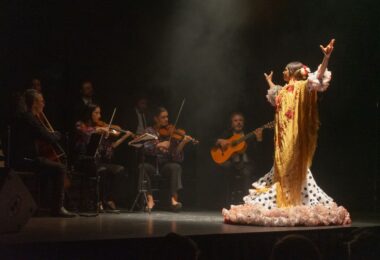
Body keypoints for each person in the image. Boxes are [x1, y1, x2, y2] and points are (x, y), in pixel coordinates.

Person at [223, 39, 351, 226]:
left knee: (295, 170)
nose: (283, 71)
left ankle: (295, 200)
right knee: (282, 170)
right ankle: (284, 200)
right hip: (281, 142)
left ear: (292, 72)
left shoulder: (302, 87)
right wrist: (269, 82)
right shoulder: (283, 91)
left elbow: (319, 76)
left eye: (285, 69)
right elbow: (276, 95)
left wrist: (326, 57)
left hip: (294, 140)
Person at [10, 89, 76, 217]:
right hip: (26, 160)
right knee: (60, 168)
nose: (44, 104)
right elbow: (48, 137)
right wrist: (57, 134)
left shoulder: (28, 117)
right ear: (35, 102)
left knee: (49, 165)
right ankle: (57, 208)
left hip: (26, 157)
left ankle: (45, 203)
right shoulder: (29, 118)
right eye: (41, 101)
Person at [74, 103, 133, 212]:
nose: (99, 116)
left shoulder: (101, 129)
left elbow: (108, 150)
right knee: (103, 170)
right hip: (84, 161)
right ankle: (99, 202)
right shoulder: (80, 124)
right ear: (89, 113)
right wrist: (98, 130)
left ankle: (109, 200)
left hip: (98, 161)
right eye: (96, 113)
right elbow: (86, 133)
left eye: (99, 113)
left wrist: (123, 136)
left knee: (120, 170)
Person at [139, 107, 193, 212]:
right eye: (163, 117)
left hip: (164, 166)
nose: (166, 119)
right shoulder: (149, 131)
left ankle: (174, 200)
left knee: (175, 167)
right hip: (152, 165)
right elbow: (145, 148)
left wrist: (182, 143)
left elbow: (177, 157)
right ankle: (150, 200)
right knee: (142, 167)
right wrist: (159, 145)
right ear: (156, 118)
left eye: (167, 117)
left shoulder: (171, 134)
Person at [215, 112, 263, 204]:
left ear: (244, 123)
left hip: (246, 164)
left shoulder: (249, 136)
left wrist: (259, 139)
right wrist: (219, 141)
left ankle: (247, 203)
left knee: (246, 172)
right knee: (224, 170)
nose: (238, 122)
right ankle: (225, 202)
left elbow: (258, 153)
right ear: (232, 123)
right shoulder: (227, 134)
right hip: (231, 164)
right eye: (235, 120)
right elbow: (210, 141)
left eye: (241, 120)